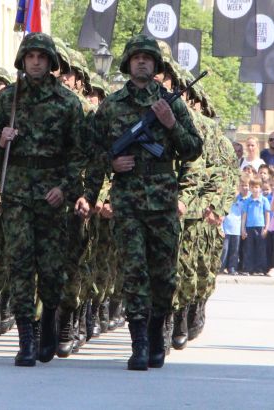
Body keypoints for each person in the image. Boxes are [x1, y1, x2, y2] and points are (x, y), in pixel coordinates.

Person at [87, 34, 202, 371]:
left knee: (163, 274)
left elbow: (193, 148)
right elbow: (91, 150)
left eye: (148, 59)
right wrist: (110, 164)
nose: (141, 62)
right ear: (127, 63)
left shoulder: (171, 103)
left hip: (163, 199)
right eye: (136, 57)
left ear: (156, 66)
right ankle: (138, 344)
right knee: (133, 270)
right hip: (128, 201)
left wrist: (170, 123)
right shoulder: (112, 105)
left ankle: (156, 335)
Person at [0, 33, 86, 366]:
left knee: (51, 268)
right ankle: (25, 338)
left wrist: (67, 189)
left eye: (42, 57)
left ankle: (48, 327)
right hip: (16, 193)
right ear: (22, 60)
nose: (35, 62)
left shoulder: (68, 103)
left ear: (51, 62)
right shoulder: (7, 100)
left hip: (51, 195)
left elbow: (79, 155)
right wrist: (0, 140)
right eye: (30, 56)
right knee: (19, 266)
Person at [240, 178, 271, 275]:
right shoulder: (248, 201)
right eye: (252, 187)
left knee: (260, 248)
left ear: (260, 188)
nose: (254, 189)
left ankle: (260, 269)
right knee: (249, 248)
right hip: (249, 227)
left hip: (260, 226)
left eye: (257, 187)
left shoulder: (264, 200)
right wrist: (243, 229)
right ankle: (248, 268)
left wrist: (266, 228)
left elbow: (267, 214)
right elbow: (244, 216)